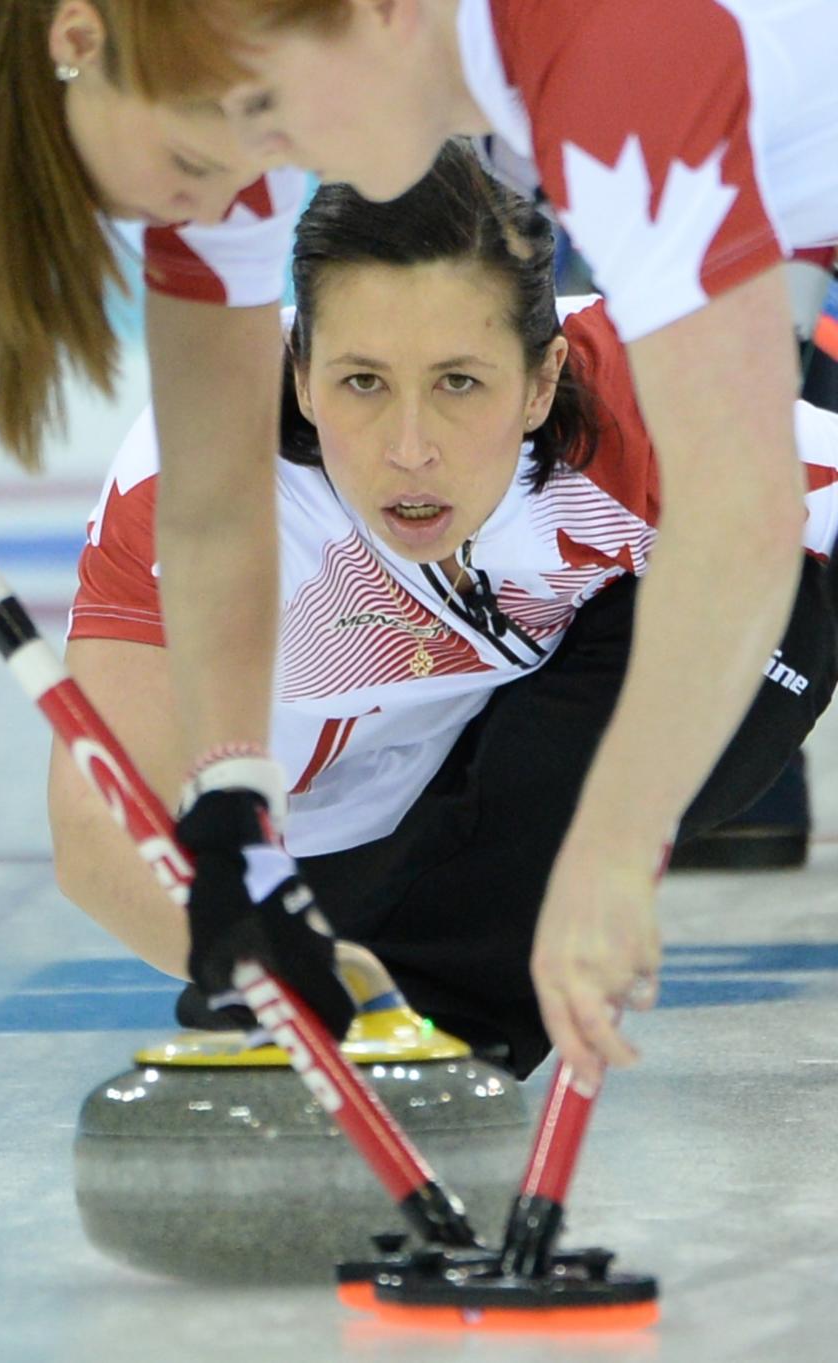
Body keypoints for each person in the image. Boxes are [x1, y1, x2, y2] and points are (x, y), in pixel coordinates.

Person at [126, 0, 838, 1084]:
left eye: (269, 102)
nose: (272, 153)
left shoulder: (610, 63)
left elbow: (743, 509)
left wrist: (603, 853)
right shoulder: (515, 112)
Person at [0, 0, 309, 980]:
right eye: (195, 166)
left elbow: (214, 500)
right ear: (78, 40)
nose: (212, 208)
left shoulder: (236, 153)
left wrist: (236, 804)